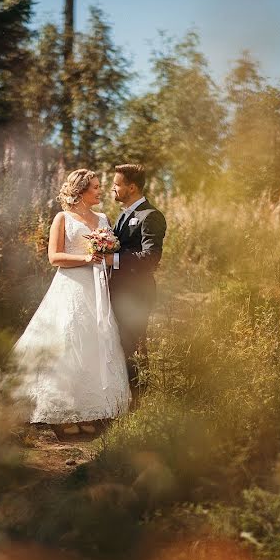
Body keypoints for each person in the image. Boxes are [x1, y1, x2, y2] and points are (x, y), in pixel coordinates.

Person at [0, 169, 130, 435]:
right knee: (69, 342)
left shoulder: (104, 219)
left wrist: (104, 255)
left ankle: (89, 411)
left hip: (97, 289)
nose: (99, 191)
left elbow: (112, 255)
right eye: (94, 187)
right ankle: (62, 415)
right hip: (71, 287)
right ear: (80, 191)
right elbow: (54, 257)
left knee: (94, 343)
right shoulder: (63, 218)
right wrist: (85, 259)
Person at [105, 164, 167, 398]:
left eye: (117, 185)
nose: (113, 188)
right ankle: (122, 397)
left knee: (134, 347)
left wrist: (115, 260)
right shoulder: (123, 214)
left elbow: (152, 257)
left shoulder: (151, 216)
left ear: (131, 187)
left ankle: (138, 402)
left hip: (136, 293)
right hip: (118, 291)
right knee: (120, 345)